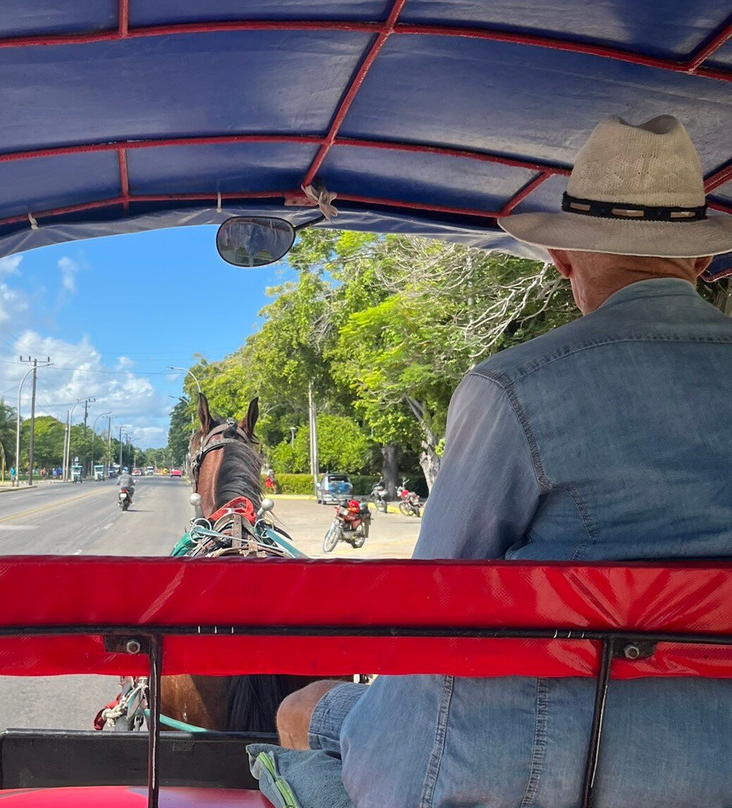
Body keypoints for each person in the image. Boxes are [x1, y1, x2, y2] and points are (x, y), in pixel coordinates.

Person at [273, 115, 732, 808]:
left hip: (555, 760)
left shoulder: (515, 387)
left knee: (300, 716)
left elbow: (437, 597)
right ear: (698, 263)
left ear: (564, 259)